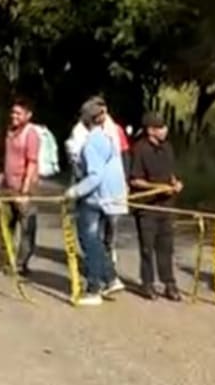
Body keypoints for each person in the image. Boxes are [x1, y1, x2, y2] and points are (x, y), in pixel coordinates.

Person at [64, 99, 128, 305]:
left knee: (90, 242)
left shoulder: (92, 142)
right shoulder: (108, 137)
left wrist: (74, 191)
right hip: (111, 197)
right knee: (97, 241)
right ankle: (110, 278)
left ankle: (94, 290)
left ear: (85, 119)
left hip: (95, 198)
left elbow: (95, 176)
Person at [128, 111, 183, 301]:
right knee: (147, 247)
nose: (165, 130)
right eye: (160, 127)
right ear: (151, 130)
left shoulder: (168, 148)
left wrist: (175, 184)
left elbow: (171, 174)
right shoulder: (139, 149)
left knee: (166, 246)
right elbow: (135, 181)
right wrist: (158, 187)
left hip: (166, 206)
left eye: (164, 126)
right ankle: (147, 283)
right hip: (147, 207)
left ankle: (169, 283)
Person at [0, 97, 40, 274]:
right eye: (13, 112)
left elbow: (32, 162)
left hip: (24, 187)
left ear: (28, 115)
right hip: (7, 186)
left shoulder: (31, 134)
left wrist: (25, 189)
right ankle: (4, 259)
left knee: (27, 227)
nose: (14, 116)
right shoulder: (10, 131)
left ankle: (22, 263)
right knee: (4, 224)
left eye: (18, 113)